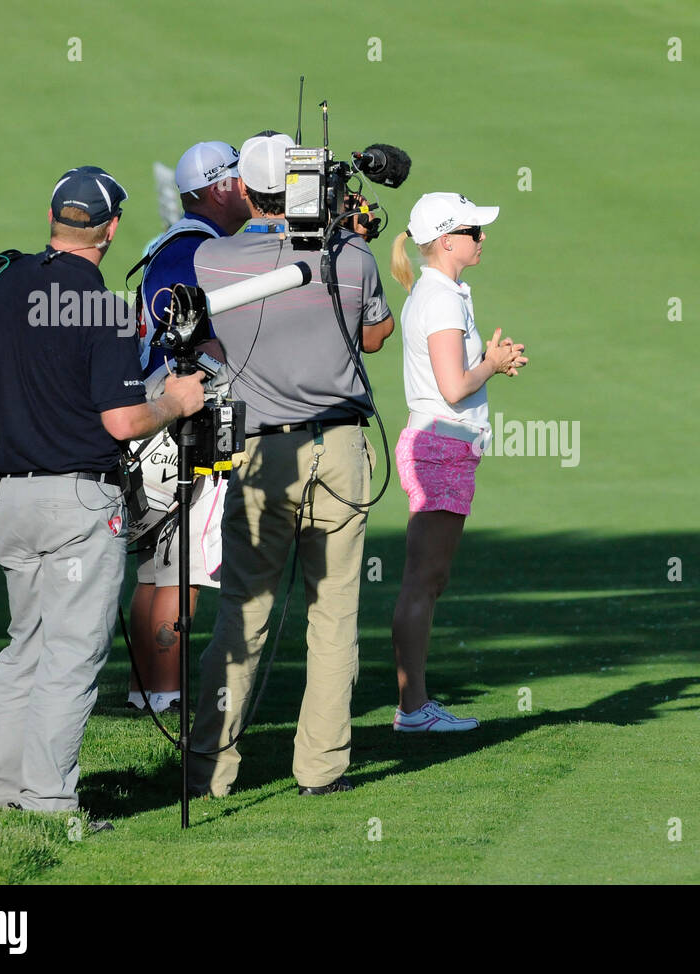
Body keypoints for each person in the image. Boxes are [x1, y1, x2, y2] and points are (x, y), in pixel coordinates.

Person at [0, 166, 205, 814]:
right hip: (79, 504)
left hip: (12, 495)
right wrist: (173, 403)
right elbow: (121, 422)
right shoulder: (101, 306)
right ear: (111, 229)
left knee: (25, 642)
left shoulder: (0, 283)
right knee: (70, 652)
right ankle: (49, 800)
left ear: (55, 217)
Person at [187, 133, 394, 797]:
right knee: (333, 616)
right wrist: (340, 234)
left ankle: (208, 770)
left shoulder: (212, 258)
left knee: (242, 615)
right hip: (338, 448)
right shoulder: (353, 256)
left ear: (244, 190)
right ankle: (322, 769)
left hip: (258, 453)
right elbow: (373, 335)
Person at [388, 193, 527, 732]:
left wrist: (491, 361)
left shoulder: (443, 292)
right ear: (447, 240)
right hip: (441, 444)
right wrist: (489, 364)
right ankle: (413, 710)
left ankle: (414, 707)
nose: (482, 238)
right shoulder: (441, 299)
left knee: (429, 578)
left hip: (444, 444)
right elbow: (452, 387)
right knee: (425, 579)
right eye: (473, 231)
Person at [127, 141, 249, 715]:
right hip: (183, 420)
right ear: (220, 187)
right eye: (243, 179)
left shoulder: (174, 245)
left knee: (157, 567)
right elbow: (193, 336)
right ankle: (167, 696)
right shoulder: (195, 252)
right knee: (184, 570)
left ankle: (147, 694)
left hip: (159, 417)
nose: (252, 188)